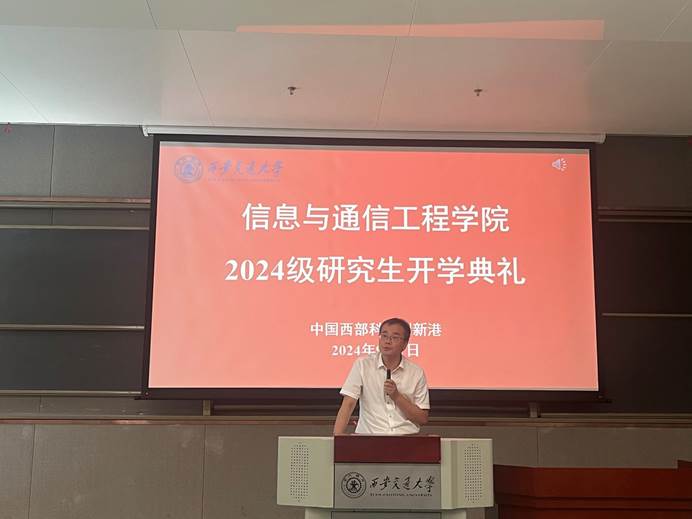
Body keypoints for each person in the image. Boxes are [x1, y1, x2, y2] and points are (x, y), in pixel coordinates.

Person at [333, 317, 429, 435]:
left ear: (405, 344)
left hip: (406, 438)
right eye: (384, 336)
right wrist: (336, 439)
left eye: (394, 337)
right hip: (370, 437)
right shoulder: (363, 365)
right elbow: (348, 404)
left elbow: (422, 418)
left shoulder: (416, 372)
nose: (387, 341)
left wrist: (396, 396)